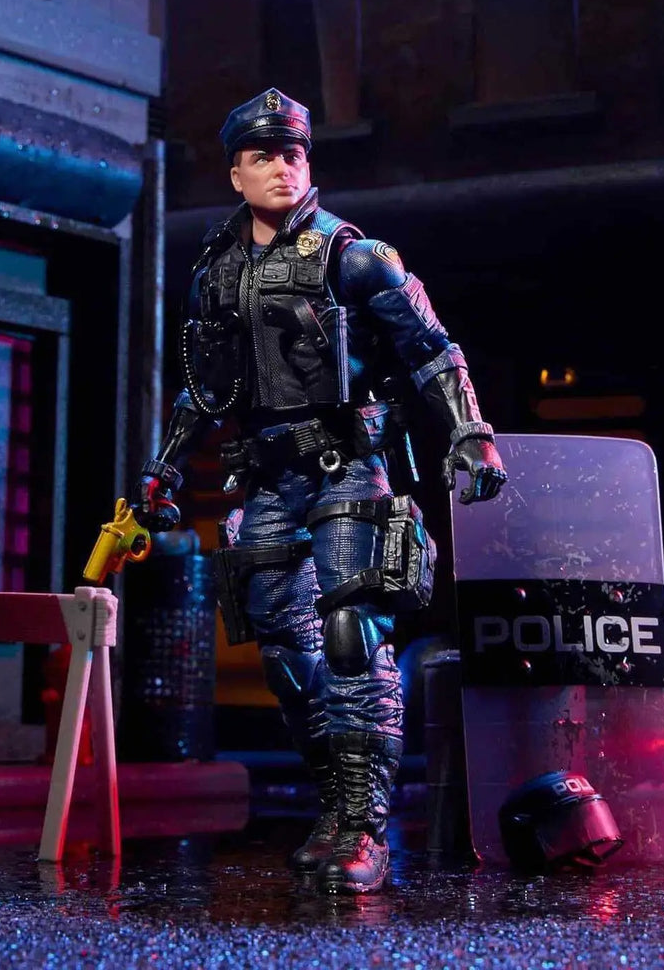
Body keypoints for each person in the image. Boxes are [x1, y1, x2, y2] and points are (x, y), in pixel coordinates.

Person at [135, 88, 506, 894]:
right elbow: (205, 386)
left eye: (293, 154)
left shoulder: (356, 255)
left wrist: (470, 431)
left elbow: (432, 350)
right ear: (235, 173)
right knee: (284, 658)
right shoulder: (217, 269)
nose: (281, 167)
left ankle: (363, 827)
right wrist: (165, 468)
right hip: (268, 475)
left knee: (351, 634)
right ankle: (334, 807)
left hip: (348, 466)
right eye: (262, 156)